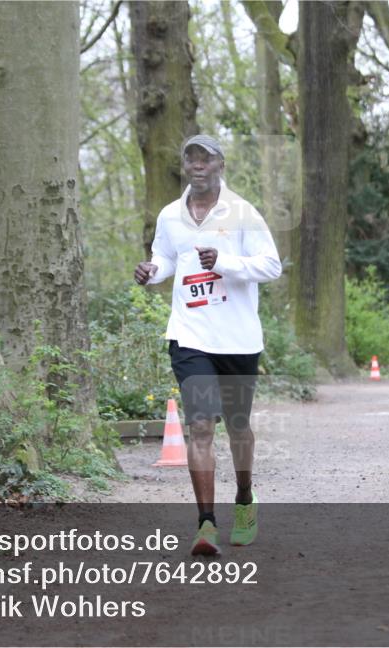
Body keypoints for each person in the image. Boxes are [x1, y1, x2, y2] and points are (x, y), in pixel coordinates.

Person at [134, 134, 282, 556]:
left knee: (237, 426)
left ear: (220, 165)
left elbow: (270, 266)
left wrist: (225, 262)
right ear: (184, 165)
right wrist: (152, 271)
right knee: (200, 425)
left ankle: (245, 498)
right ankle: (206, 525)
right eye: (191, 158)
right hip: (190, 334)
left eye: (207, 158)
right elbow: (165, 256)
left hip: (237, 338)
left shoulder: (242, 213)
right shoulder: (169, 215)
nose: (198, 165)